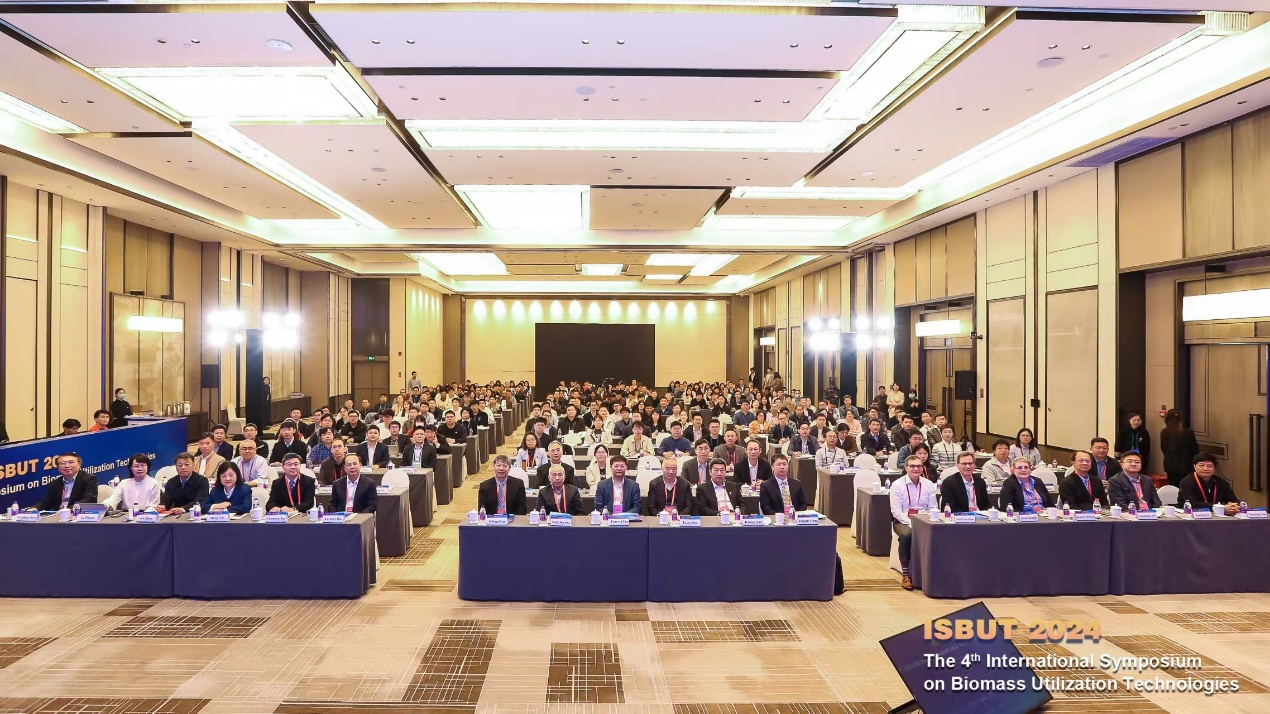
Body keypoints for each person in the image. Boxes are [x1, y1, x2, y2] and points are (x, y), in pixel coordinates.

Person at [889, 454, 937, 589]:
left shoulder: (928, 484)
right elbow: (896, 511)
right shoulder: (897, 485)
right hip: (903, 521)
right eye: (912, 466)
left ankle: (934, 571)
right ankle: (906, 574)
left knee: (939, 531)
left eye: (919, 466)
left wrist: (924, 522)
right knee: (907, 535)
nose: (916, 469)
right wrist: (912, 523)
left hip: (924, 519)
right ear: (906, 468)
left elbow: (932, 507)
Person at [33, 452, 99, 510]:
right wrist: (35, 508)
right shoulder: (54, 483)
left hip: (78, 515)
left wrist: (69, 509)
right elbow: (46, 502)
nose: (67, 466)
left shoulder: (89, 479)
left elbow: (89, 499)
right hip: (58, 516)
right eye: (63, 463)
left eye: (71, 462)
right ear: (58, 467)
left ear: (79, 465)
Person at [1160, 408, 1199, 488]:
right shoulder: (1188, 433)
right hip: (1186, 466)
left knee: (1173, 487)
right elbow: (1195, 450)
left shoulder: (1164, 432)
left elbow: (1163, 448)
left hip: (1170, 465)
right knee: (1185, 488)